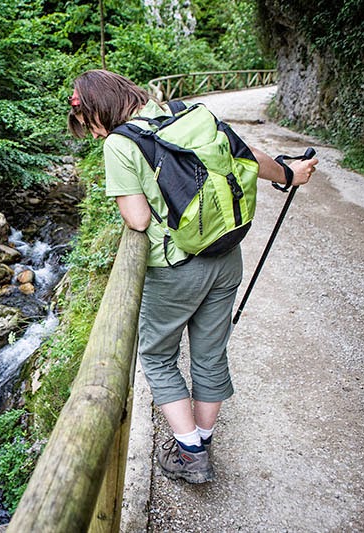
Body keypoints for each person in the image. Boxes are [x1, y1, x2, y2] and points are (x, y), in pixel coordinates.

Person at [67, 69, 317, 484]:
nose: (93, 136)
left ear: (97, 110)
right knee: (209, 352)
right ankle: (203, 437)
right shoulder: (183, 112)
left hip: (175, 271)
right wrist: (290, 175)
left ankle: (191, 454)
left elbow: (138, 218)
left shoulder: (120, 143)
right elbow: (245, 155)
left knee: (159, 357)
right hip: (225, 255)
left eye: (88, 125)